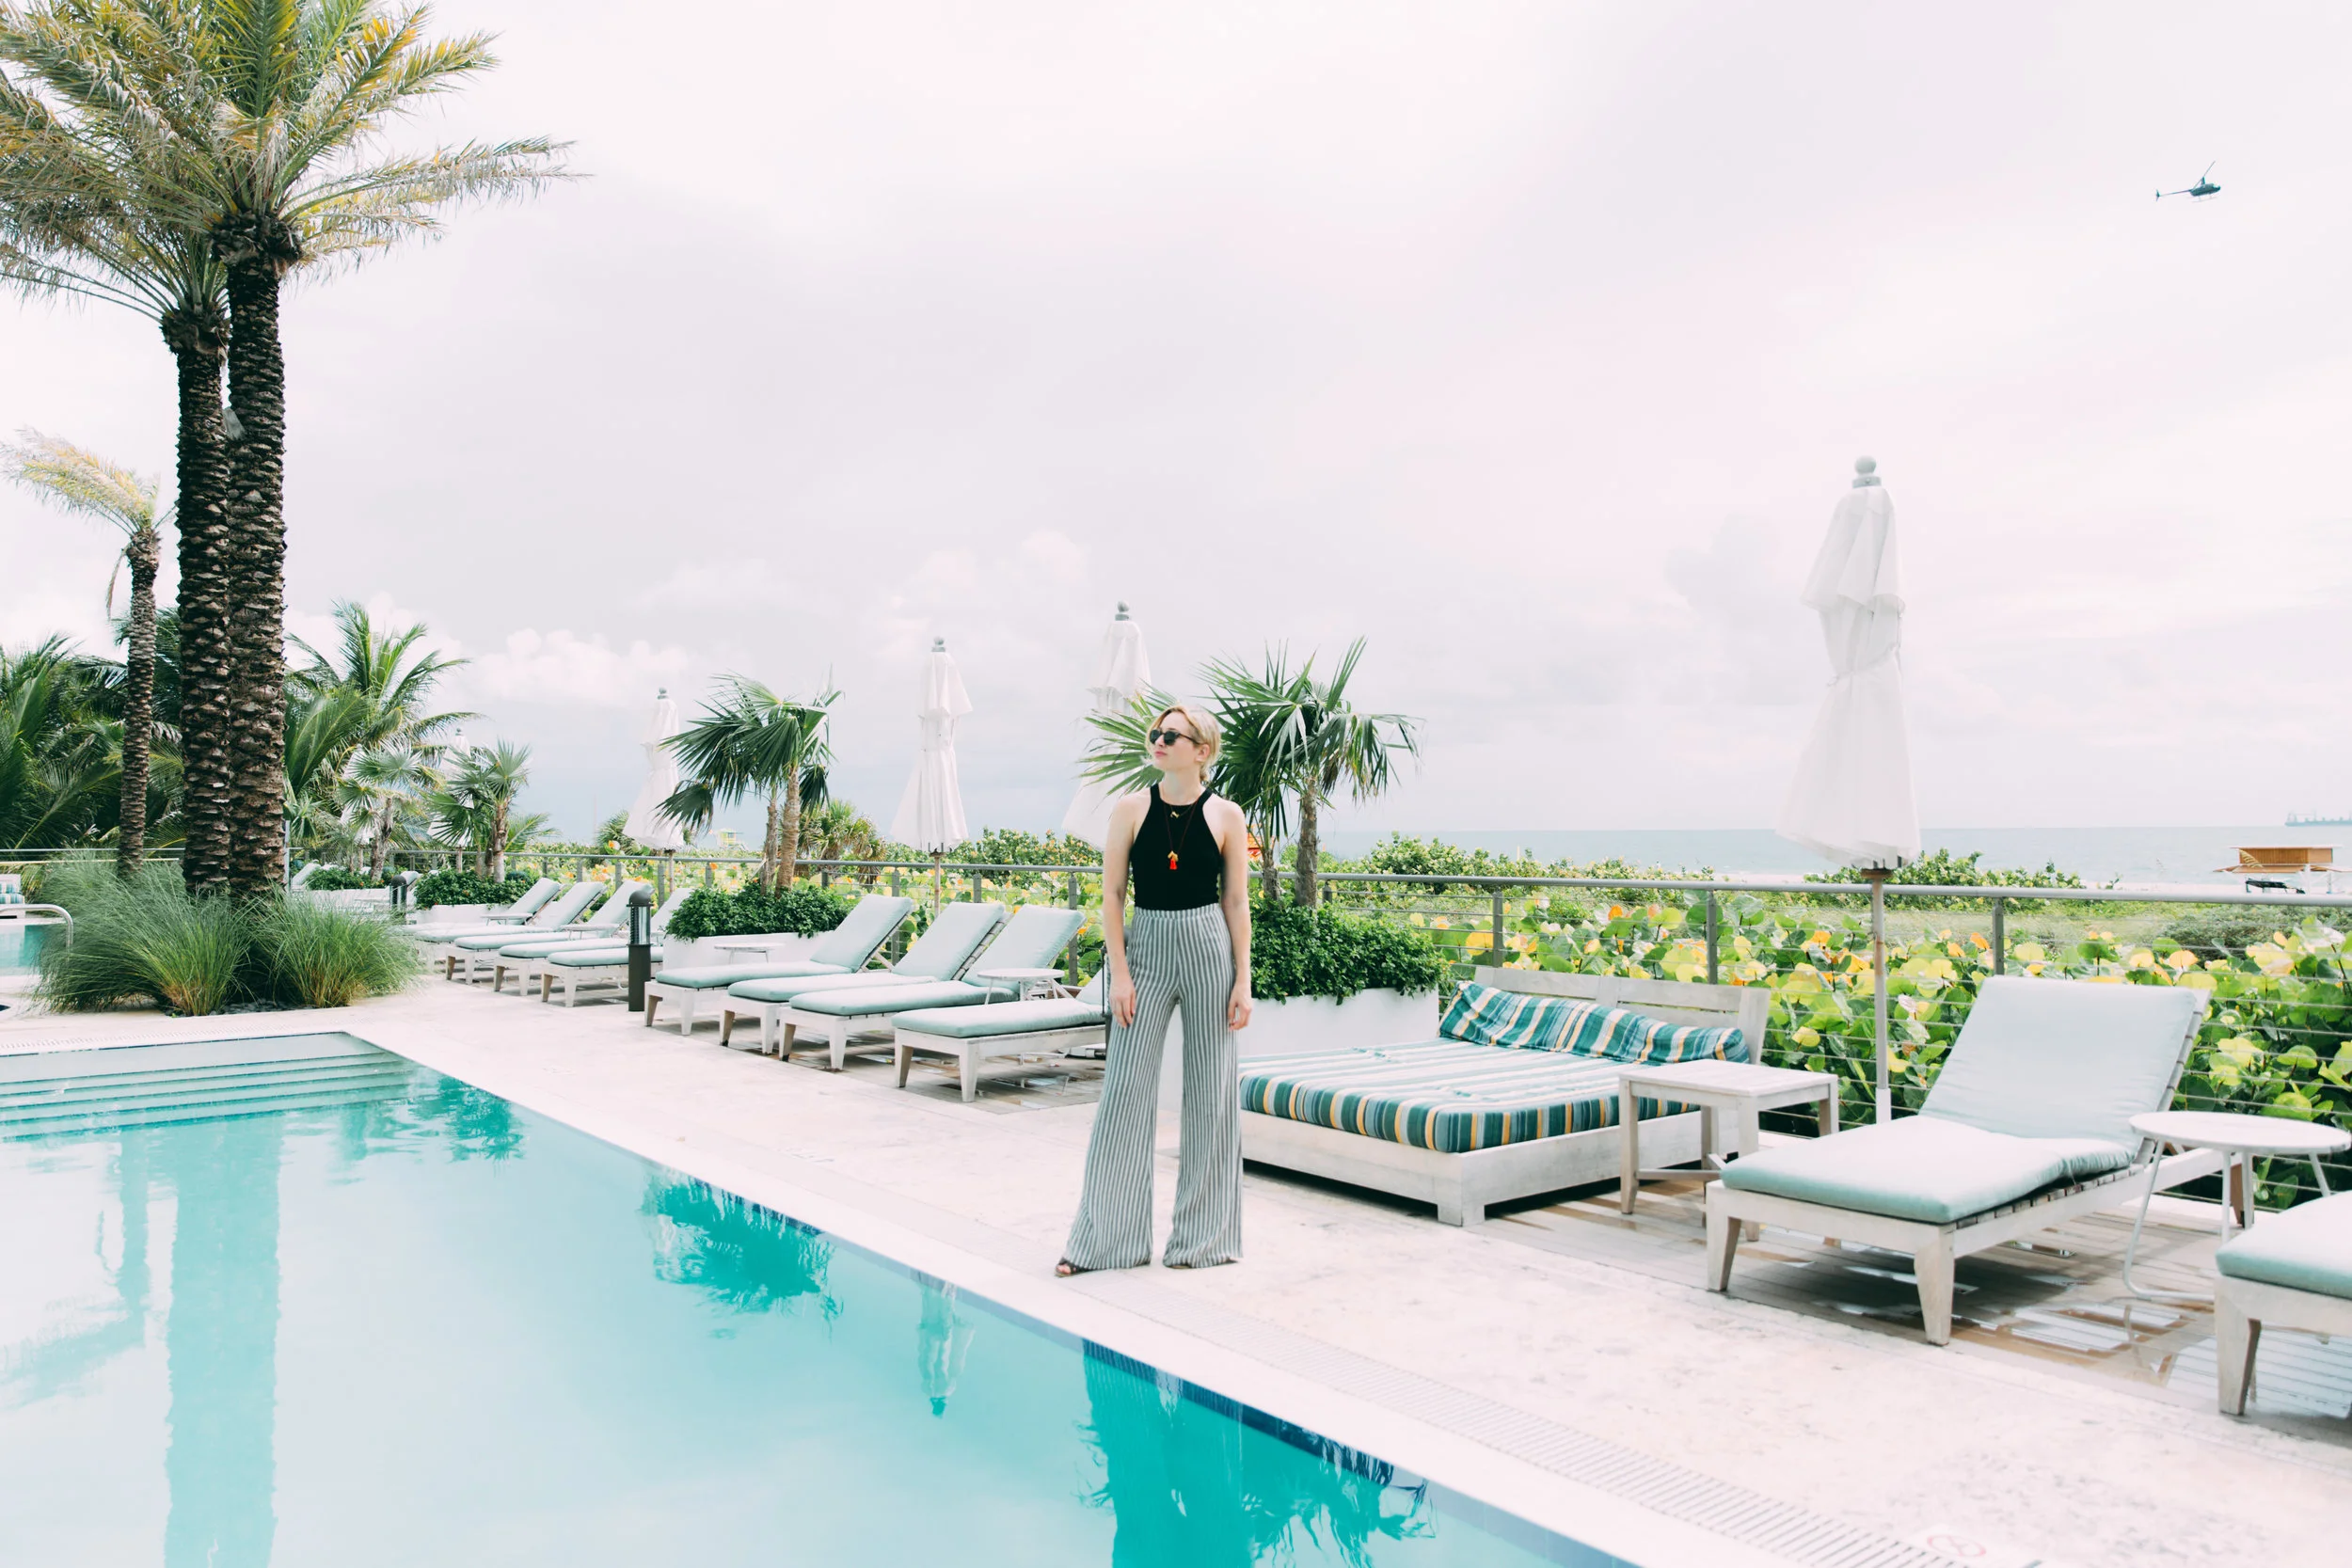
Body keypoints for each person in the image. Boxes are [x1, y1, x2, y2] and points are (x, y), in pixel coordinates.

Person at [1059, 704, 1253, 1274]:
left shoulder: (1227, 815)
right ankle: (1104, 1244)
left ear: (1202, 750)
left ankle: (1203, 1242)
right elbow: (1113, 895)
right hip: (1145, 946)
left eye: (1172, 734)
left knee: (1212, 1093)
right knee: (1124, 1092)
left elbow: (1235, 900)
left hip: (1208, 946)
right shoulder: (1130, 808)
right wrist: (1119, 974)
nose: (1159, 740)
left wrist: (1243, 979)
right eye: (1156, 733)